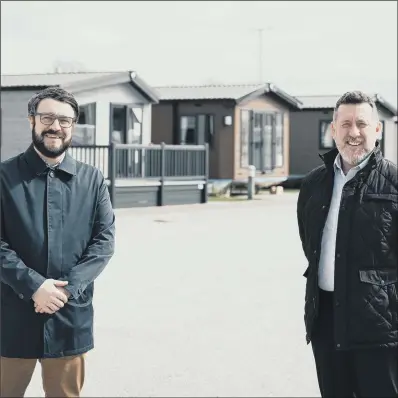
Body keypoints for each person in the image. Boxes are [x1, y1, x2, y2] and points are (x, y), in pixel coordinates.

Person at [0, 87, 116, 397]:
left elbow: (103, 243)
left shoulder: (92, 180)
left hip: (69, 317)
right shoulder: (3, 177)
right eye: (47, 117)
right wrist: (35, 286)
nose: (56, 126)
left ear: (73, 125)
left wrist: (66, 290)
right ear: (32, 121)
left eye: (65, 120)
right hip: (11, 317)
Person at [297, 90, 397, 397]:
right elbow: (310, 244)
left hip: (379, 328)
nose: (354, 133)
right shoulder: (314, 183)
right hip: (325, 320)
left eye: (362, 124)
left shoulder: (394, 183)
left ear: (377, 130)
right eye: (346, 124)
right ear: (332, 129)